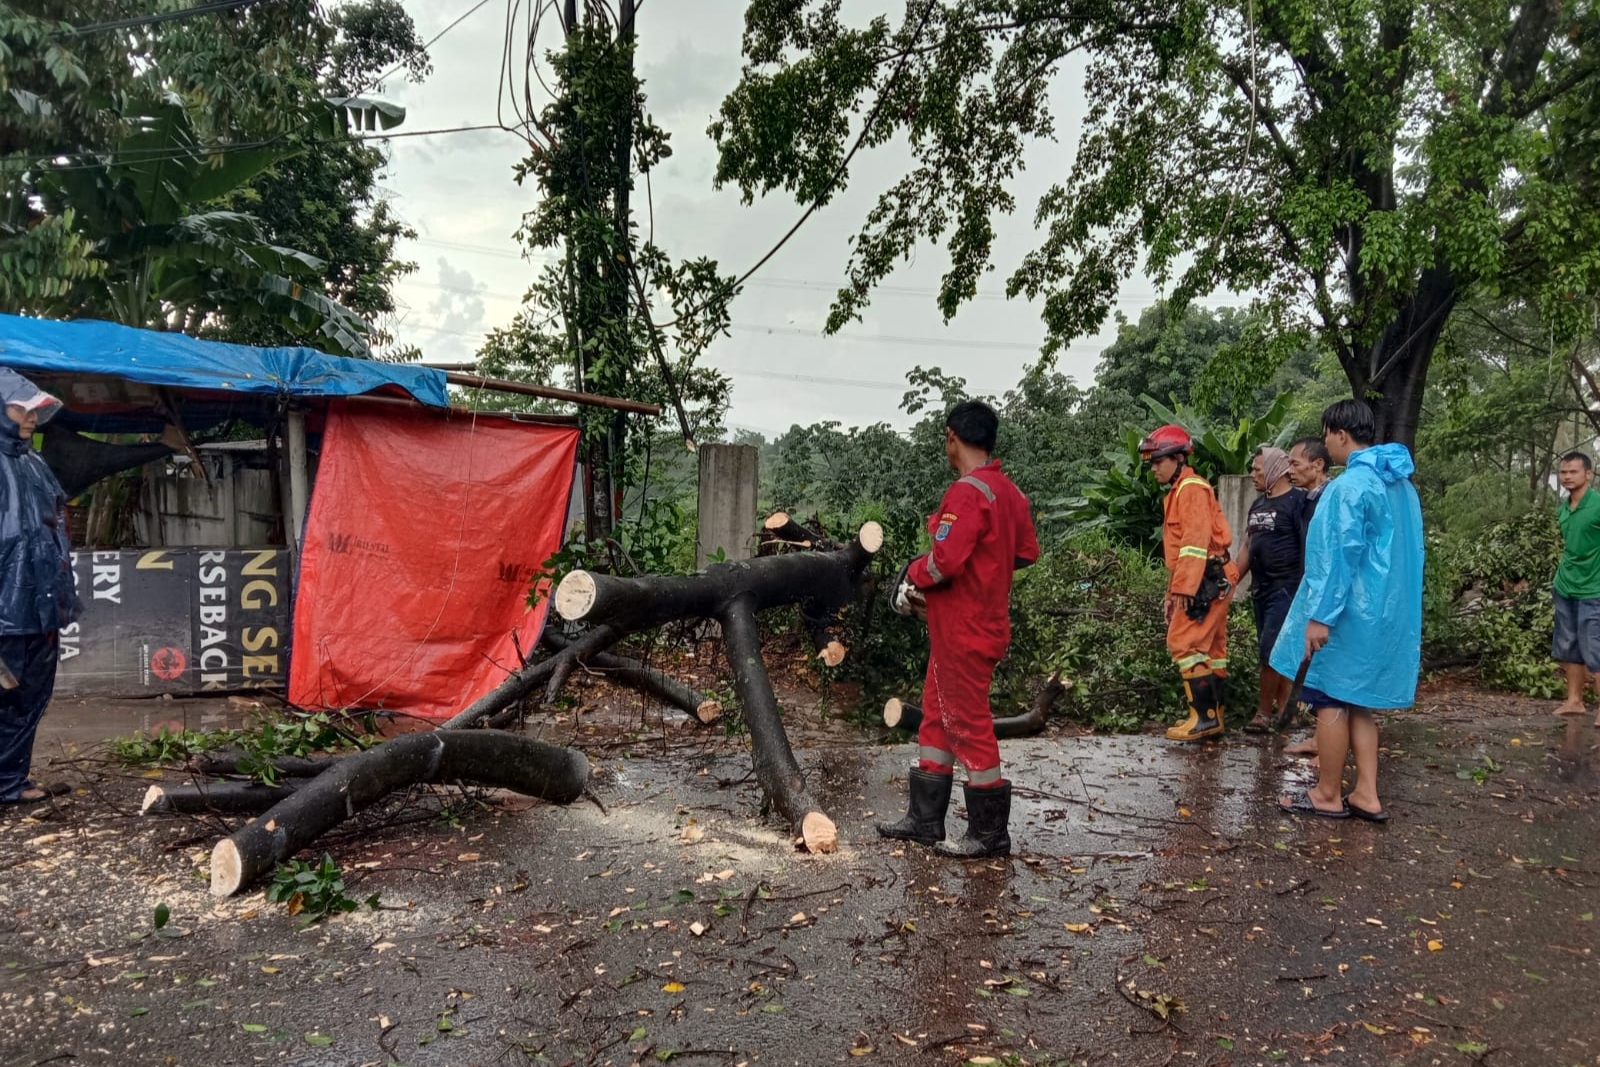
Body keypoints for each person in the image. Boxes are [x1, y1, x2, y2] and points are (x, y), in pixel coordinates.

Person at [878, 400, 1039, 857]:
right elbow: (1025, 552)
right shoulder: (1009, 492)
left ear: (952, 437)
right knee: (936, 715)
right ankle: (925, 820)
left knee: (967, 723)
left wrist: (913, 573)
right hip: (976, 624)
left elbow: (944, 562)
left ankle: (989, 833)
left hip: (964, 629)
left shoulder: (968, 492)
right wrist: (987, 571)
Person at [1271, 399, 1423, 822]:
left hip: (1347, 614)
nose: (1326, 444)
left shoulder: (1349, 486)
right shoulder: (1400, 485)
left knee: (1330, 698)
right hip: (1383, 614)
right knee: (1360, 702)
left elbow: (1337, 556)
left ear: (1341, 434)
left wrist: (1320, 615)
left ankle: (1326, 793)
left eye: (1326, 436)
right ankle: (1367, 794)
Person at [0, 368, 80, 805]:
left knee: (31, 696)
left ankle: (11, 780)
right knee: (4, 697)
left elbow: (54, 529)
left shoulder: (34, 463)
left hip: (42, 608)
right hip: (5, 613)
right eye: (22, 409)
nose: (31, 418)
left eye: (35, 410)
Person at [1137, 424, 1239, 742]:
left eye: (1159, 461)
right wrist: (1172, 592)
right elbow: (1179, 552)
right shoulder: (1180, 490)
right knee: (1213, 648)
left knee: (1183, 641)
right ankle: (1213, 717)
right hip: (1211, 575)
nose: (1154, 468)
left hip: (1205, 577)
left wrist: (1184, 589)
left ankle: (1204, 719)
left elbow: (1194, 544)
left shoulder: (1191, 489)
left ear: (1179, 458)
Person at [1236, 447, 1308, 733]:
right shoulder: (1258, 505)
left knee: (1271, 649)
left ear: (1276, 469)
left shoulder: (1298, 502)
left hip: (1286, 588)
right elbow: (1247, 545)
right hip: (1261, 590)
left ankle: (1264, 714)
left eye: (1257, 469)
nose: (1253, 474)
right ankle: (1287, 713)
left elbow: (1307, 544)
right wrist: (1231, 579)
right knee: (1276, 651)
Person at [1551, 451, 1600, 722]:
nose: (1567, 477)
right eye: (1563, 472)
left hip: (1594, 589)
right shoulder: (1563, 508)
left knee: (1595, 647)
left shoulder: (1597, 505)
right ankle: (1574, 701)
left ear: (1588, 474)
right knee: (1569, 645)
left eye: (1573, 472)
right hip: (1565, 586)